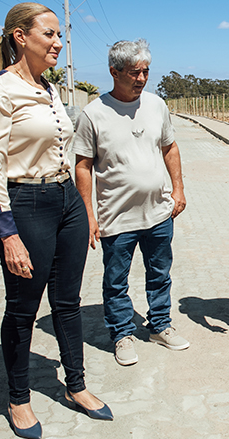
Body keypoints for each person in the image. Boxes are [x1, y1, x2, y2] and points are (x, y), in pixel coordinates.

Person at [0, 2, 112, 439]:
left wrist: (84, 210)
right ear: (21, 37)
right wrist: (7, 229)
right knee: (23, 307)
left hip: (66, 197)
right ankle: (18, 399)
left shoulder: (51, 89)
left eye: (59, 36)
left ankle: (77, 386)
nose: (58, 43)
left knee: (67, 302)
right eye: (50, 35)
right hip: (26, 202)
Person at [74, 39, 189, 368]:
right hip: (117, 217)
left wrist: (178, 190)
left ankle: (160, 325)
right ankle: (122, 333)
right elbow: (82, 166)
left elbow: (170, 148)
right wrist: (88, 216)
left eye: (146, 72)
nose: (141, 78)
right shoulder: (93, 114)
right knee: (115, 280)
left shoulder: (156, 106)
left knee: (160, 273)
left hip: (158, 212)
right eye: (134, 72)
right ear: (114, 72)